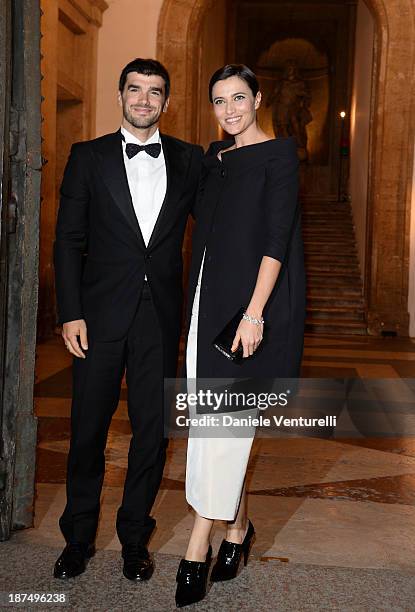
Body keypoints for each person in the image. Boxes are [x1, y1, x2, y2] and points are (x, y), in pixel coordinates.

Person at [53, 58, 203, 582]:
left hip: (159, 318)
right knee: (87, 431)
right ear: (120, 96)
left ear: (167, 101)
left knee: (150, 434)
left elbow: (216, 227)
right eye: (134, 90)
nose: (144, 100)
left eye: (154, 91)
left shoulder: (189, 160)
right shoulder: (87, 156)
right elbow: (68, 240)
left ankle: (135, 540)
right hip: (95, 318)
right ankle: (77, 538)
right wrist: (69, 311)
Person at [175, 64, 305, 607]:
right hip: (205, 301)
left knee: (224, 428)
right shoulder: (212, 159)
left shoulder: (278, 156)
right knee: (211, 426)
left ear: (257, 98)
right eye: (219, 101)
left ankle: (195, 546)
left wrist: (254, 314)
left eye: (238, 98)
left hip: (248, 310)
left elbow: (276, 241)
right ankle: (237, 530)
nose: (229, 110)